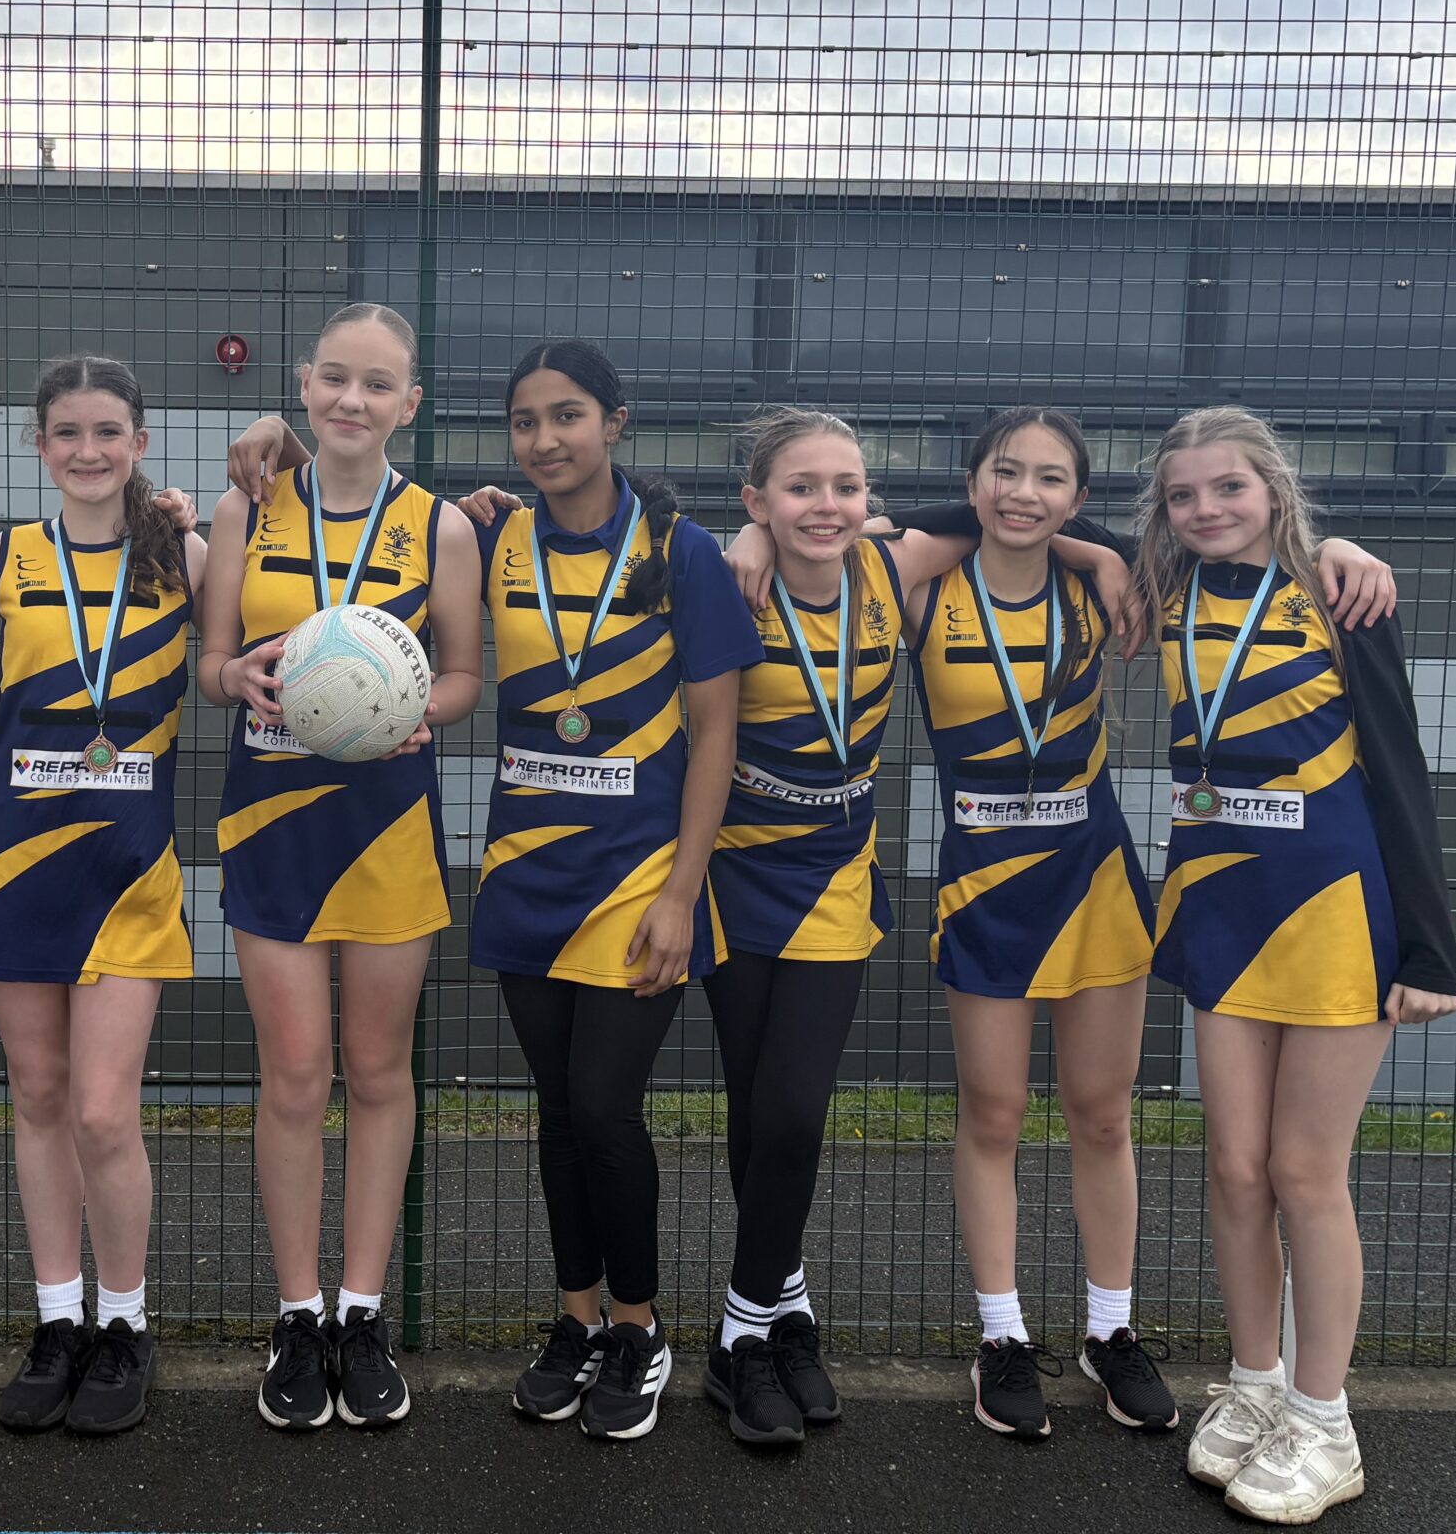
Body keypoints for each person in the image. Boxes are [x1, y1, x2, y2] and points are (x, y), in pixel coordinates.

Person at [728, 409, 1395, 1442]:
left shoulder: (1113, 584)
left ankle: (1109, 1329)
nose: (1023, 493)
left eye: (1050, 479)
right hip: (984, 884)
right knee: (993, 1115)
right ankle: (1001, 1338)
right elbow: (830, 533)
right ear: (973, 482)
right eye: (1005, 472)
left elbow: (1242, 557)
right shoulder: (919, 585)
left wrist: (1339, 544)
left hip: (1094, 878)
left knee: (1101, 1114)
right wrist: (747, 533)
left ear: (1080, 500)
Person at [1138, 407, 1456, 1525]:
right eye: (1182, 494)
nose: (1206, 509)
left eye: (1228, 487)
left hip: (1332, 911)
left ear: (1273, 488)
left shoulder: (1339, 594)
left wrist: (1429, 949)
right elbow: (1013, 520)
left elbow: (1400, 769)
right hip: (1222, 909)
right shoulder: (1162, 593)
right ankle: (1256, 1386)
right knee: (1234, 1169)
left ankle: (1325, 1423)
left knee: (1304, 1172)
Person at [471, 339, 764, 1443]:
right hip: (524, 869)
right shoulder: (491, 537)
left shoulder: (682, 551)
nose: (545, 439)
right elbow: (363, 515)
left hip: (640, 877)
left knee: (603, 1105)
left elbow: (717, 733)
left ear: (615, 422)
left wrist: (683, 894)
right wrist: (271, 439)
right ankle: (576, 1317)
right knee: (558, 1111)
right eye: (526, 420)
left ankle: (639, 1327)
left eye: (568, 415)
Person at [199, 303, 484, 1431]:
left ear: (409, 403)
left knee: (376, 1071)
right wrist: (238, 679)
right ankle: (296, 1313)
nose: (350, 400)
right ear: (304, 385)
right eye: (332, 378)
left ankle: (361, 1312)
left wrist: (420, 715)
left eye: (375, 384)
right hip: (271, 821)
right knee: (293, 1075)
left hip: (385, 825)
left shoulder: (441, 527)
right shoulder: (248, 502)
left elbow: (462, 677)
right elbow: (211, 662)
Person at [0, 356, 205, 1437]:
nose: (87, 451)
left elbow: (273, 605)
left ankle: (125, 1323)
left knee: (101, 1110)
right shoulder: (7, 555)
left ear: (140, 442)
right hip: (15, 862)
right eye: (66, 434)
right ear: (39, 446)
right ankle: (57, 1322)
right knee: (39, 1097)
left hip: (127, 870)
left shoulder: (186, 555)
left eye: (107, 432)